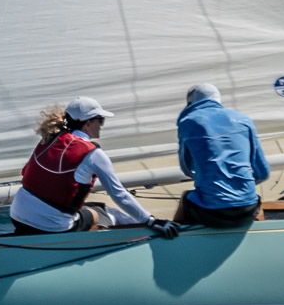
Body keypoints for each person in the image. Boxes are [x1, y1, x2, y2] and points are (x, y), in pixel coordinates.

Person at [10, 97, 179, 239]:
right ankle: (147, 239)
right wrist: (151, 220)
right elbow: (119, 194)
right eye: (100, 120)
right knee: (107, 214)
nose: (102, 125)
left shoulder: (48, 139)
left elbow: (29, 173)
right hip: (52, 227)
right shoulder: (92, 154)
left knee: (89, 207)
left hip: (17, 215)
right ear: (87, 123)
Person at [174, 83, 270, 227]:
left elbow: (187, 169)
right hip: (248, 209)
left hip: (211, 212)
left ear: (190, 103)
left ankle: (175, 236)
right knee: (250, 197)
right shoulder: (244, 119)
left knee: (185, 198)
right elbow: (263, 173)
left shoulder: (188, 122)